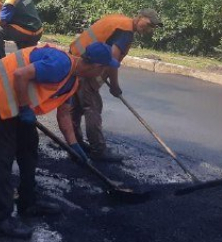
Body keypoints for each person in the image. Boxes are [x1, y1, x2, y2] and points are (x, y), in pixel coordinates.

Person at [0, 42, 120, 239]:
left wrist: (73, 145)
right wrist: (25, 108)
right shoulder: (60, 65)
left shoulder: (73, 80)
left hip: (18, 99)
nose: (103, 72)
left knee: (29, 148)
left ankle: (28, 203)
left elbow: (64, 115)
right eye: (104, 68)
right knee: (3, 154)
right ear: (96, 66)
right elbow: (20, 75)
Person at [69, 9, 162, 163]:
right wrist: (114, 86)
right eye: (149, 24)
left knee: (77, 106)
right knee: (92, 107)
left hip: (76, 59)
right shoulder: (126, 31)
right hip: (86, 66)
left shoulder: (119, 20)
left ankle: (75, 144)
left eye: (153, 27)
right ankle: (98, 150)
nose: (149, 29)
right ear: (139, 17)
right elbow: (112, 60)